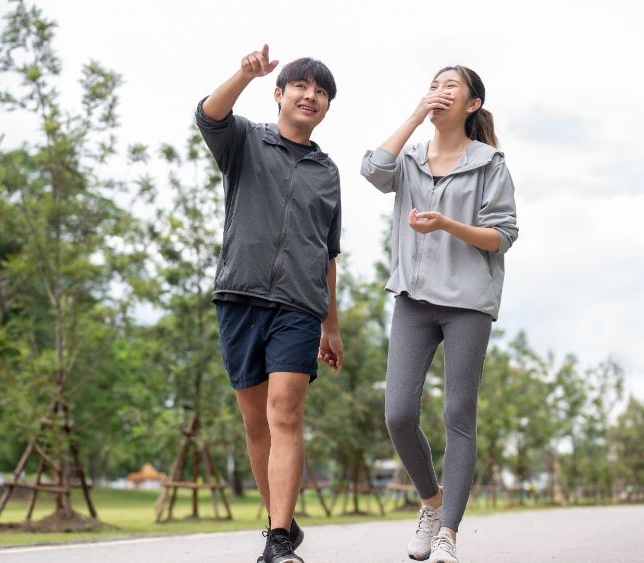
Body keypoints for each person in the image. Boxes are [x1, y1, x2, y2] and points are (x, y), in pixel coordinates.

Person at [360, 65, 518, 563]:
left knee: (457, 415)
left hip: (468, 302)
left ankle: (448, 533)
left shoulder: (490, 164)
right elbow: (371, 169)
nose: (440, 91)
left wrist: (449, 224)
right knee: (399, 414)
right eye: (435, 84)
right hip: (412, 298)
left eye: (451, 86)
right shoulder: (408, 158)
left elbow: (503, 236)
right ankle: (431, 502)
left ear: (472, 104)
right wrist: (414, 114)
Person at [196, 44, 344, 563]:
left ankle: (278, 540)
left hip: (300, 306)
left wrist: (332, 324)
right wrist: (243, 73)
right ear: (279, 95)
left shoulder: (328, 173)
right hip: (239, 294)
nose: (311, 95)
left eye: (321, 92)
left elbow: (327, 252)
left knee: (285, 413)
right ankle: (280, 524)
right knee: (256, 422)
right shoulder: (244, 141)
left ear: (326, 107)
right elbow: (208, 114)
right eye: (302, 86)